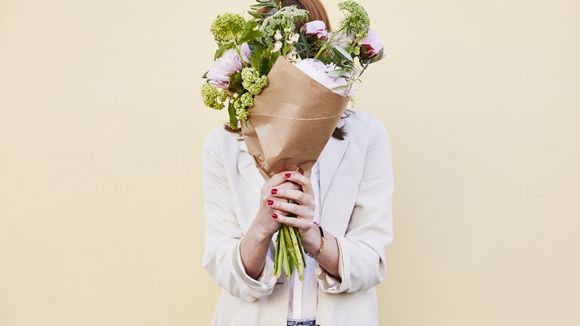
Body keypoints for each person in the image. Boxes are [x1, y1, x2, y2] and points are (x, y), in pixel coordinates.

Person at [201, 1, 394, 325]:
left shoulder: (367, 135)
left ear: (322, 51)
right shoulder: (223, 146)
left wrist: (313, 236)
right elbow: (222, 267)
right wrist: (263, 224)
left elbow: (371, 261)